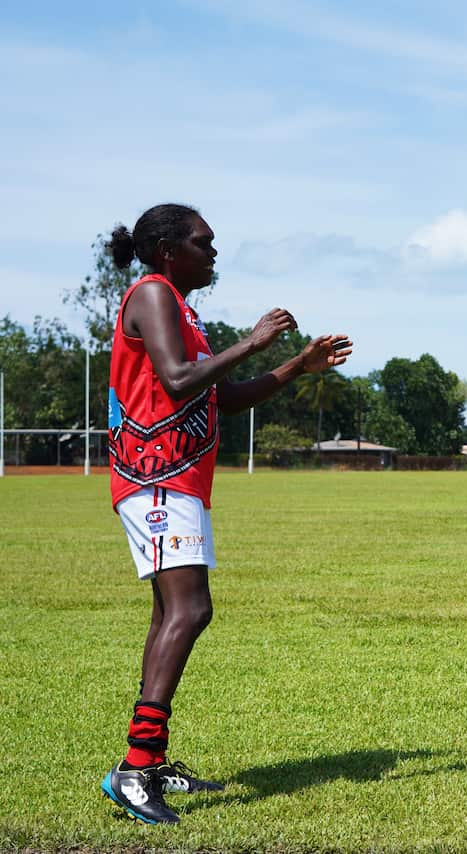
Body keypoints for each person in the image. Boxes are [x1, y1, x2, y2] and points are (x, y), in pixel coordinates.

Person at [99, 203, 353, 823]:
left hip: (176, 479)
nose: (214, 253)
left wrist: (295, 365)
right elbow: (181, 380)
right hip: (156, 477)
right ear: (168, 250)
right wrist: (254, 340)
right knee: (190, 610)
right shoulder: (153, 294)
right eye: (204, 243)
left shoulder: (180, 307)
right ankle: (135, 769)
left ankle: (148, 760)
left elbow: (222, 398)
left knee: (170, 615)